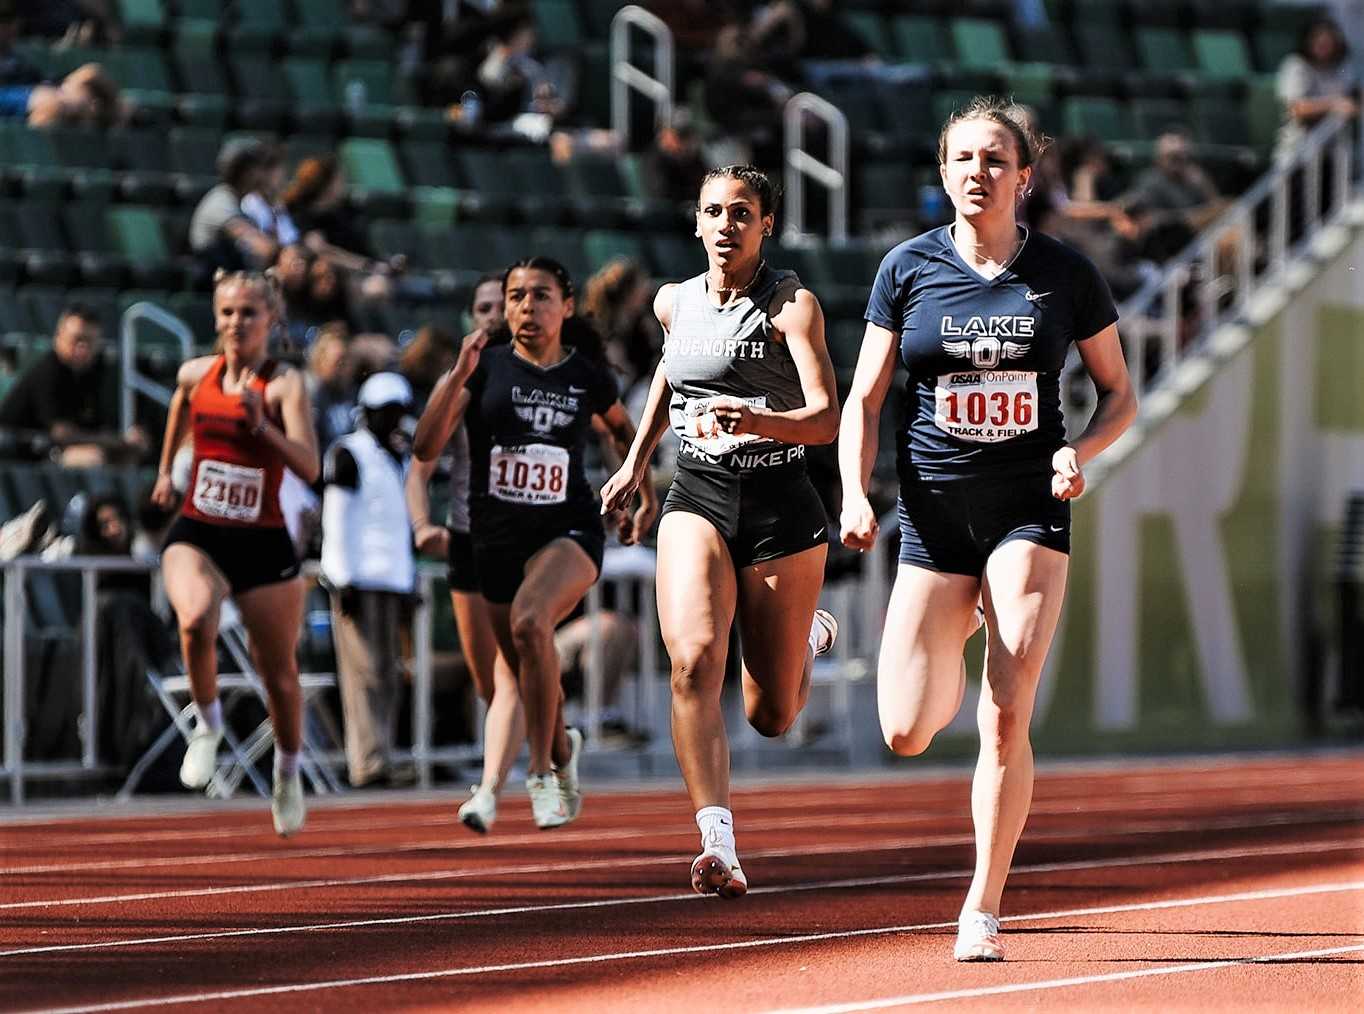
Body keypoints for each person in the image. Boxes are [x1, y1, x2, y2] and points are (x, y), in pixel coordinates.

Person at [838, 97, 1136, 961]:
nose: (978, 172)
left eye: (994, 160)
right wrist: (857, 495)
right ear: (943, 174)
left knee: (1005, 713)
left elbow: (1120, 393)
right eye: (962, 159)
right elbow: (863, 398)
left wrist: (1080, 451)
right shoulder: (906, 269)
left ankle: (982, 903)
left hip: (1028, 509)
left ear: (1024, 177)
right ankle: (961, 611)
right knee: (904, 729)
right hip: (933, 514)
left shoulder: (1064, 274)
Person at [600, 165, 841, 898]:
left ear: (767, 224)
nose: (727, 225)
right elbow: (669, 380)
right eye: (714, 212)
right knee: (693, 659)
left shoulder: (792, 307)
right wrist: (637, 464)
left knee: (771, 714)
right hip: (698, 493)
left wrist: (759, 419)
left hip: (780, 503)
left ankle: (804, 638)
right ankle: (718, 842)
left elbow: (828, 417)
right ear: (696, 223)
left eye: (743, 213)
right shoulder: (674, 304)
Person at [413, 256, 656, 830]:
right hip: (495, 540)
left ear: (566, 306)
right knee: (521, 665)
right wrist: (458, 372)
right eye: (517, 296)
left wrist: (635, 491)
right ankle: (565, 751)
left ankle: (541, 772)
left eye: (541, 295)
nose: (527, 307)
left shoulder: (586, 374)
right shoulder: (485, 368)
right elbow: (426, 449)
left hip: (566, 530)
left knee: (529, 623)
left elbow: (624, 430)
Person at [150, 269, 321, 837]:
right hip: (200, 527)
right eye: (226, 312)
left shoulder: (284, 385)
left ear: (271, 319)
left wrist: (260, 427)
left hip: (262, 539)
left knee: (280, 676)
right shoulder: (197, 372)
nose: (235, 323)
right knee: (195, 618)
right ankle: (207, 725)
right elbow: (180, 402)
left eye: (248, 313)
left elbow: (310, 466)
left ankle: (288, 771)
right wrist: (165, 471)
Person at [406, 275, 520, 832]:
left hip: (526, 540)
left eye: (504, 304)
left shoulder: (542, 374)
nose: (494, 315)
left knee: (513, 667)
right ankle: (552, 737)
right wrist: (421, 522)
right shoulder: (458, 382)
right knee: (488, 681)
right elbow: (421, 463)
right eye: (483, 308)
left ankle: (491, 787)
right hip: (468, 538)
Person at [321, 371, 417, 789]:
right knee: (363, 673)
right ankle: (367, 761)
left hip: (392, 577)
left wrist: (409, 582)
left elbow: (401, 526)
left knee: (389, 672)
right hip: (358, 579)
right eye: (388, 413)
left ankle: (384, 754)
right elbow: (336, 520)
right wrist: (341, 579)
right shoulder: (348, 453)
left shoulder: (399, 456)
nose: (396, 422)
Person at [0, 302, 148, 464]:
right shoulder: (47, 372)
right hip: (27, 451)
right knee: (92, 458)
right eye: (76, 339)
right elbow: (61, 434)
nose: (82, 347)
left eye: (89, 342)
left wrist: (129, 438)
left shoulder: (94, 372)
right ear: (59, 337)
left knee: (129, 454)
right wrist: (114, 440)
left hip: (62, 449)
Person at [188, 138, 278, 276]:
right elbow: (263, 248)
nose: (264, 175)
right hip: (212, 283)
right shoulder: (220, 200)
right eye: (259, 168)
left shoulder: (241, 202)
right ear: (244, 172)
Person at [1276, 14, 1359, 160]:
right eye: (1317, 40)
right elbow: (1296, 108)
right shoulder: (1295, 65)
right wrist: (1334, 105)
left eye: (1328, 41)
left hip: (1335, 153)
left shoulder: (1342, 66)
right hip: (1298, 154)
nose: (1323, 45)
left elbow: (1354, 99)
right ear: (1307, 41)